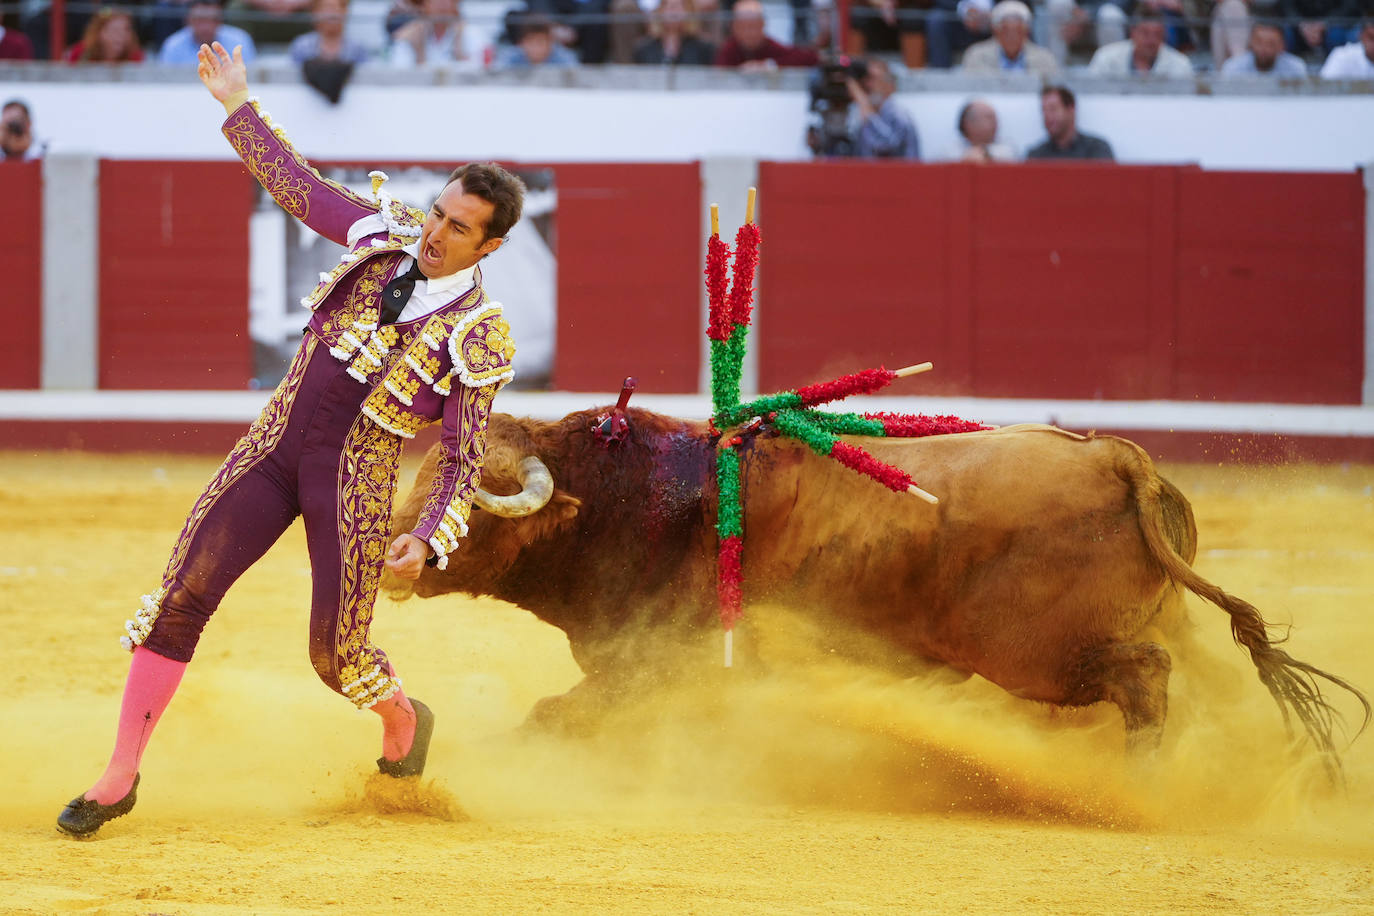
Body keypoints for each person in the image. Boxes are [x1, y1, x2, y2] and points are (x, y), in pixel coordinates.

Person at [54, 40, 525, 838]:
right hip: (273, 448)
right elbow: (301, 189)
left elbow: (461, 452)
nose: (436, 233)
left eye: (459, 228)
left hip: (353, 484)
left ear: (492, 246)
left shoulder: (479, 334)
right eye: (438, 213)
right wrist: (238, 106)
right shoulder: (388, 234)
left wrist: (426, 536)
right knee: (181, 595)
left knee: (336, 658)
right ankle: (119, 774)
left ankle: (403, 720)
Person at [959, 0, 1059, 76]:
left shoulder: (1045, 59)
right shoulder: (976, 56)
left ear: (1027, 31)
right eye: (1006, 29)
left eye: (1018, 30)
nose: (1012, 36)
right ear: (995, 30)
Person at [846, 58, 921, 158]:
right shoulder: (862, 112)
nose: (867, 85)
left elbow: (887, 147)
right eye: (863, 80)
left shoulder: (898, 115)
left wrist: (866, 110)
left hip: (901, 172)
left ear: (890, 85)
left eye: (872, 79)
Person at [715, 0, 819, 68]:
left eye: (753, 26)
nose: (749, 33)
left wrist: (768, 65)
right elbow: (717, 76)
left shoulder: (769, 45)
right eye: (743, 27)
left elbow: (810, 58)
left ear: (763, 25)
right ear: (734, 27)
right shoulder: (729, 49)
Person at [1087, 10, 1195, 76]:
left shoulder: (1181, 64)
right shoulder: (1105, 57)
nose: (1151, 40)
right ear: (1132, 33)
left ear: (1165, 36)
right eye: (1145, 33)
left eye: (1157, 34)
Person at [1025, 84, 1115, 160]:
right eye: (1044, 110)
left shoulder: (1097, 150)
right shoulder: (1036, 156)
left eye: (1053, 109)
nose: (1047, 116)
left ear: (1071, 109)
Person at [390, 0, 485, 67]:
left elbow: (479, 69)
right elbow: (400, 69)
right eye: (435, 0)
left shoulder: (471, 33)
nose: (442, 4)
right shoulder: (409, 35)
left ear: (455, 4)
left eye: (447, 0)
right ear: (424, 5)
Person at [160, 0, 257, 63]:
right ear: (188, 20)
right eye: (200, 20)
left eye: (212, 19)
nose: (206, 27)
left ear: (220, 21)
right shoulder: (173, 45)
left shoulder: (240, 41)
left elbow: (249, 80)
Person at [633, 0, 716, 64]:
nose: (673, 12)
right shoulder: (643, 48)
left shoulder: (704, 48)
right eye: (669, 7)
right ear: (660, 11)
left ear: (689, 11)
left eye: (678, 6)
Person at [289, 0, 370, 64]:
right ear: (315, 12)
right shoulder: (301, 46)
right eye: (327, 8)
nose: (333, 13)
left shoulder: (358, 48)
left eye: (338, 7)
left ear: (345, 12)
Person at [1220, 19, 1308, 74]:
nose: (1264, 48)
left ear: (1282, 46)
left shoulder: (1296, 68)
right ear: (1250, 42)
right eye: (1259, 42)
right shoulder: (1233, 68)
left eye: (1271, 44)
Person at [493, 13, 582, 66]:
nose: (536, 48)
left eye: (540, 43)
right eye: (531, 42)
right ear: (522, 43)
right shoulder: (509, 58)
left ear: (550, 42)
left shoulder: (565, 59)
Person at [64, 8, 145, 61]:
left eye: (126, 30)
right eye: (115, 30)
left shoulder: (135, 56)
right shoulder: (81, 53)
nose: (121, 36)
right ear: (99, 32)